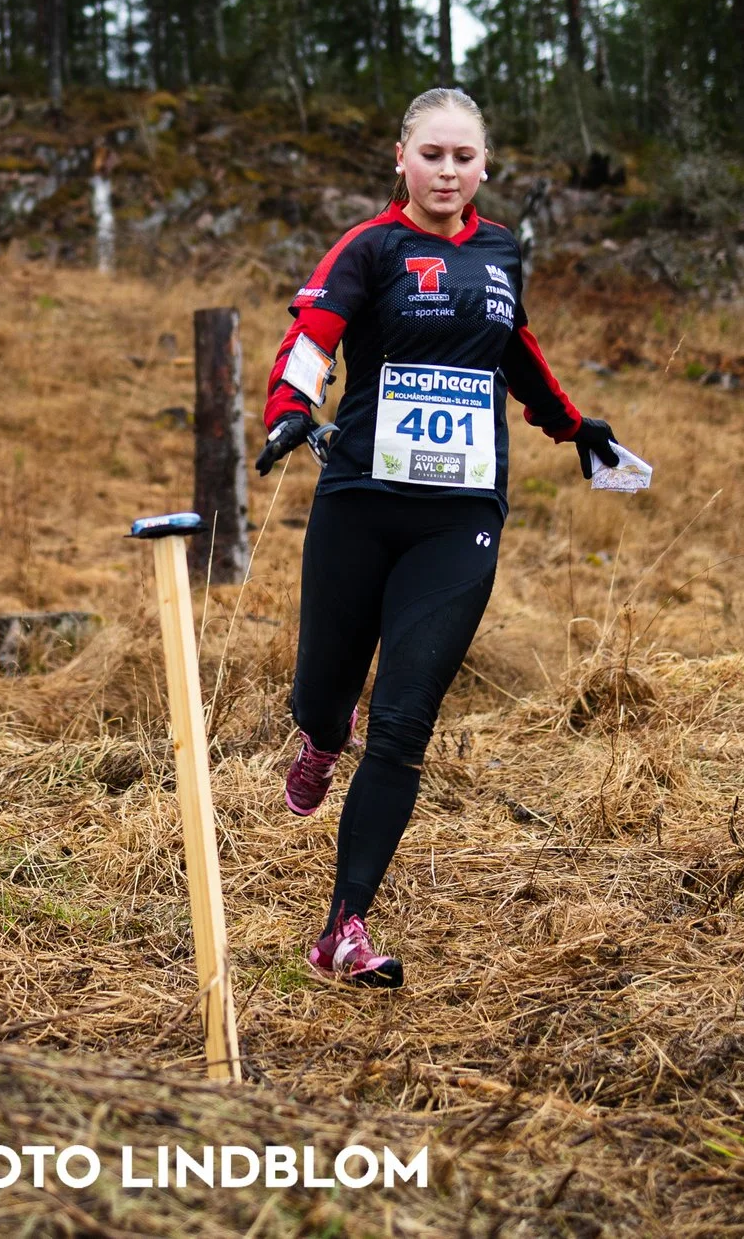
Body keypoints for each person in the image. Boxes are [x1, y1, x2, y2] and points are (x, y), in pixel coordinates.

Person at [255, 87, 620, 988]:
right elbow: (314, 334)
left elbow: (515, 349)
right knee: (324, 696)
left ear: (485, 165)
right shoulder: (370, 246)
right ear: (402, 159)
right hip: (362, 500)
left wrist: (572, 425)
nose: (448, 171)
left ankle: (344, 927)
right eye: (432, 155)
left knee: (405, 717)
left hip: (460, 516)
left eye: (464, 156)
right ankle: (320, 738)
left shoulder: (501, 251)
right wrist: (290, 406)